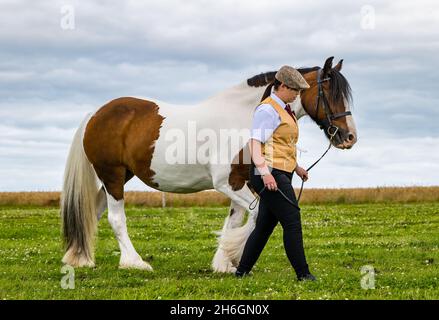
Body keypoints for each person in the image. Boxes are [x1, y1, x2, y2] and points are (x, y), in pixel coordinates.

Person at [235, 65, 316, 281]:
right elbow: (255, 145)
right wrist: (265, 173)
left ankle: (241, 271)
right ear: (282, 86)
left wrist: (297, 167)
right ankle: (303, 274)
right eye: (295, 90)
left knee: (264, 226)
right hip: (270, 174)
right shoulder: (267, 110)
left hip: (281, 172)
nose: (297, 95)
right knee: (292, 221)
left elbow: (281, 144)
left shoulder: (284, 110)